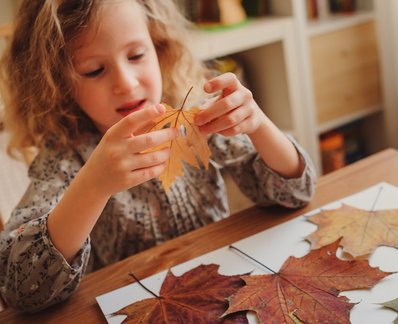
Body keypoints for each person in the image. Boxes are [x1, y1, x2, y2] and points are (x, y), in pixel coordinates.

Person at [0, 0, 316, 312]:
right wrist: (93, 186)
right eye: (94, 70)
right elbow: (21, 289)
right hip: (137, 307)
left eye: (137, 55)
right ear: (58, 83)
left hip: (223, 290)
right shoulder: (64, 157)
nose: (126, 83)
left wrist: (258, 125)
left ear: (160, 48)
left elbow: (295, 194)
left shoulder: (196, 117)